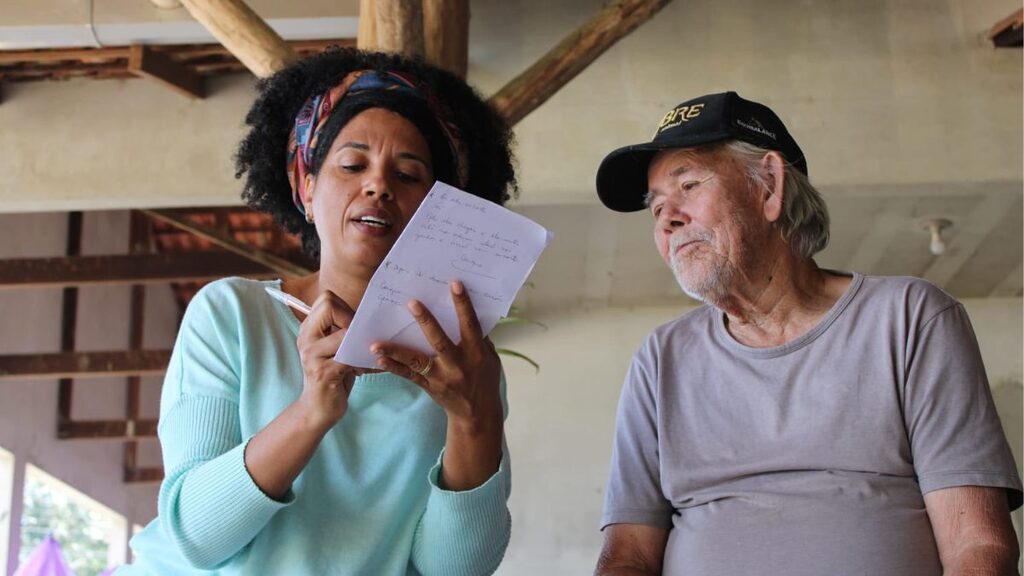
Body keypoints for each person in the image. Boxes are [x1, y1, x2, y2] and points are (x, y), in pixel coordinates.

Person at [120, 48, 517, 576]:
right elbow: (196, 536)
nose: (378, 185)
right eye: (352, 165)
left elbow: (454, 570)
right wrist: (312, 411)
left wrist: (474, 417)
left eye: (409, 174)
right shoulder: (233, 315)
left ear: (438, 211)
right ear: (306, 188)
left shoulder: (462, 361)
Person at [592, 91, 1022, 575]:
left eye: (688, 185)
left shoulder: (909, 319)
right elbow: (626, 555)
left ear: (769, 186)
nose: (668, 219)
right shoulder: (660, 359)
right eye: (656, 208)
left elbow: (978, 545)